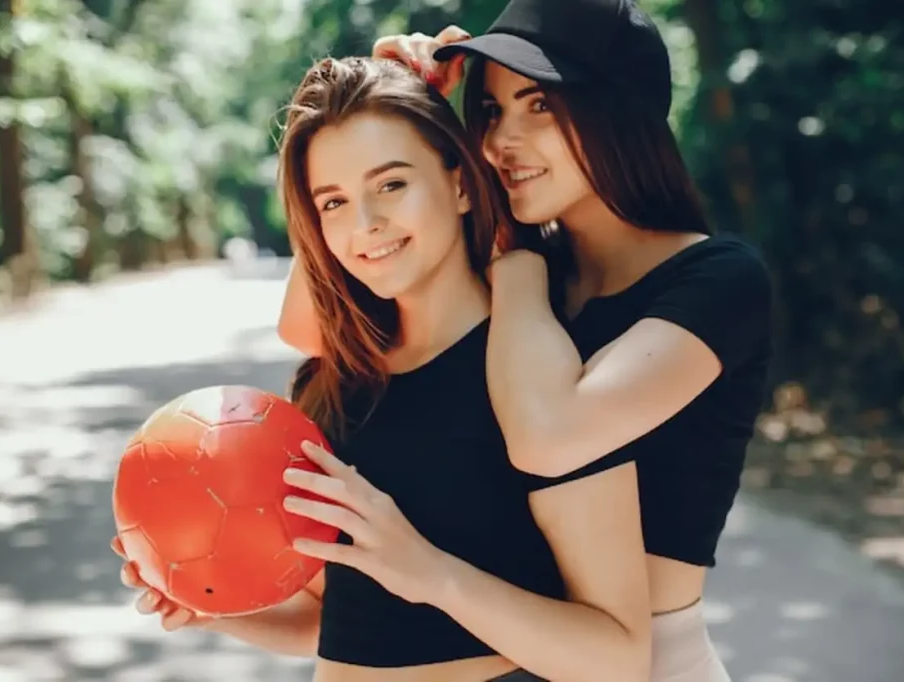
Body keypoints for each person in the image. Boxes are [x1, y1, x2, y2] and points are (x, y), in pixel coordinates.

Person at [112, 55, 653, 682]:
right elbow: (337, 618)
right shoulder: (333, 383)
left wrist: (431, 573)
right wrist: (213, 608)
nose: (365, 225)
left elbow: (618, 657)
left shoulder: (537, 374)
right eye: (334, 202)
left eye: (391, 185)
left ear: (460, 184)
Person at [372, 0, 775, 680]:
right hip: (504, 647)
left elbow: (548, 437)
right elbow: (316, 323)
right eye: (491, 111)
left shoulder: (720, 282)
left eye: (539, 105)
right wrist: (397, 109)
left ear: (620, 114)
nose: (499, 142)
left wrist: (516, 263)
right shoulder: (525, 280)